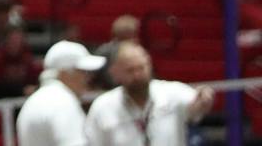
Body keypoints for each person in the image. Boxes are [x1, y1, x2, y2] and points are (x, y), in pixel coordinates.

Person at [86, 41, 214, 146]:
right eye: (130, 70)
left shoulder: (171, 92)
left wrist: (203, 99)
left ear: (149, 65)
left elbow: (196, 107)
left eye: (141, 68)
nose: (137, 75)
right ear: (115, 72)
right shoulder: (102, 106)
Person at [16, 42, 107, 146]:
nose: (87, 78)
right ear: (65, 73)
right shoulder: (63, 103)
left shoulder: (34, 100)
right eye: (83, 72)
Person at [0, 27, 44, 100]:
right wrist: (21, 90)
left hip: (21, 101)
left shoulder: (25, 56)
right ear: (6, 40)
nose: (16, 43)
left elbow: (33, 78)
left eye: (18, 40)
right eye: (13, 40)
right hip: (0, 102)